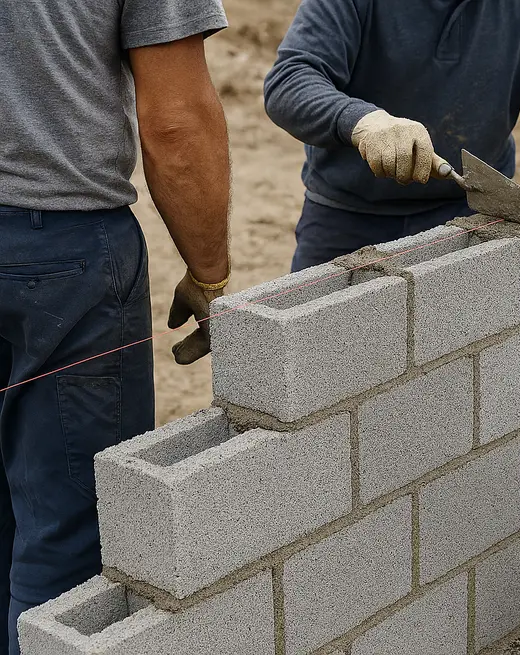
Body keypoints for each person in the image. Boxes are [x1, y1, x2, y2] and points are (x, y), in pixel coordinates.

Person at [0, 0, 232, 651]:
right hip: (62, 250)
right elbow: (175, 125)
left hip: (51, 248)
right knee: (68, 548)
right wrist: (208, 271)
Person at [264, 0, 520, 272]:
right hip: (349, 216)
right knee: (325, 363)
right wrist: (365, 123)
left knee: (460, 371)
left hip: (472, 213)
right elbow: (290, 81)